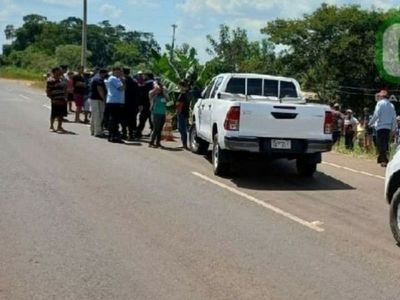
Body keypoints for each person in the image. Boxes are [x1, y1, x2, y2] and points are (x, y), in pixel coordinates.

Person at [369, 90, 397, 167]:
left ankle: (384, 161)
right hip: (388, 127)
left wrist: (370, 123)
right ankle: (382, 159)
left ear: (382, 96)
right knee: (385, 143)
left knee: (380, 144)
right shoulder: (391, 105)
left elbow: (376, 114)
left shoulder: (380, 103)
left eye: (380, 96)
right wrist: (393, 128)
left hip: (380, 127)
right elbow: (394, 118)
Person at [105, 67, 125, 143]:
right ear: (113, 72)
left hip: (116, 101)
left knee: (115, 120)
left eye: (120, 72)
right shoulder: (113, 78)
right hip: (114, 101)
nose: (119, 73)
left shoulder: (116, 79)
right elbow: (121, 88)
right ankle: (113, 136)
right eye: (117, 72)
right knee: (114, 120)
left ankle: (113, 135)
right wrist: (123, 81)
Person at [46, 67, 67, 133]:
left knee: (61, 114)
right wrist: (52, 98)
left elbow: (65, 88)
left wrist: (66, 96)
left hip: (62, 98)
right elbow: (48, 90)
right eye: (59, 71)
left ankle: (59, 126)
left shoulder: (62, 79)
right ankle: (51, 126)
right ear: (55, 72)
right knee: (54, 113)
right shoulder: (51, 80)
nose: (60, 72)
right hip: (55, 99)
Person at [121, 68, 140, 140]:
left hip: (124, 102)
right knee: (132, 119)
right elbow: (138, 93)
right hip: (133, 103)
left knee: (123, 118)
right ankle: (131, 134)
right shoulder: (134, 81)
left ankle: (124, 133)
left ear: (123, 72)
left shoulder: (122, 80)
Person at [149, 81, 168, 148]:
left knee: (160, 129)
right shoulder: (152, 94)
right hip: (155, 113)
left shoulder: (163, 95)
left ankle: (158, 142)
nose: (159, 89)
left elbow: (168, 99)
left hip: (162, 113)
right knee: (155, 128)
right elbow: (151, 95)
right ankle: (151, 142)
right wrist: (156, 89)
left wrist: (163, 91)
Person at [135, 72, 154, 139]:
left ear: (148, 76)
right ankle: (153, 133)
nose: (143, 77)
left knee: (142, 119)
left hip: (146, 104)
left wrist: (140, 104)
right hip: (153, 104)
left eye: (144, 75)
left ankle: (138, 132)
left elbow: (142, 95)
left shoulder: (146, 84)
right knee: (151, 119)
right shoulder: (155, 84)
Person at [89, 69, 108, 138]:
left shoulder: (94, 78)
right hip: (97, 99)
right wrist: (104, 99)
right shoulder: (99, 79)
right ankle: (98, 132)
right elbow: (100, 89)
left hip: (93, 98)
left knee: (94, 115)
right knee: (99, 116)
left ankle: (93, 130)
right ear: (103, 73)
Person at [176, 80, 190, 149]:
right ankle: (184, 143)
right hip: (185, 113)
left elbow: (180, 105)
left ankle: (184, 144)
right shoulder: (187, 94)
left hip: (181, 113)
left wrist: (177, 112)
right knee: (182, 128)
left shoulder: (182, 95)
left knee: (182, 128)